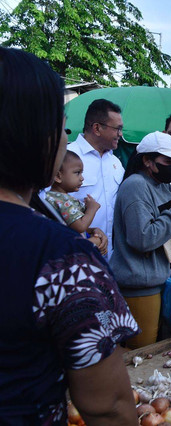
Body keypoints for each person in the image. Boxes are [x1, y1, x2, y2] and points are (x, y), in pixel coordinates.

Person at [0, 47, 139, 425]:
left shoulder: (114, 163)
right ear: (31, 133)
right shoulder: (60, 257)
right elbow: (108, 407)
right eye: (61, 128)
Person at [110, 131, 171, 348]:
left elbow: (166, 226)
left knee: (155, 347)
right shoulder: (136, 185)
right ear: (147, 161)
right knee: (141, 353)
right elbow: (143, 238)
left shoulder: (161, 184)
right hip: (139, 286)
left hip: (158, 279)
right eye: (167, 161)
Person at [67, 98, 125, 259]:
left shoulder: (115, 162)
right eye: (117, 129)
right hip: (75, 254)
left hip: (111, 256)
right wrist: (88, 232)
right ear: (97, 128)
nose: (120, 134)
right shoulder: (66, 158)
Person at [45, 151, 108, 255]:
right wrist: (91, 209)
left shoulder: (53, 197)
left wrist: (92, 231)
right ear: (58, 176)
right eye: (77, 173)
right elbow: (80, 227)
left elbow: (71, 225)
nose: (82, 178)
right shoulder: (61, 200)